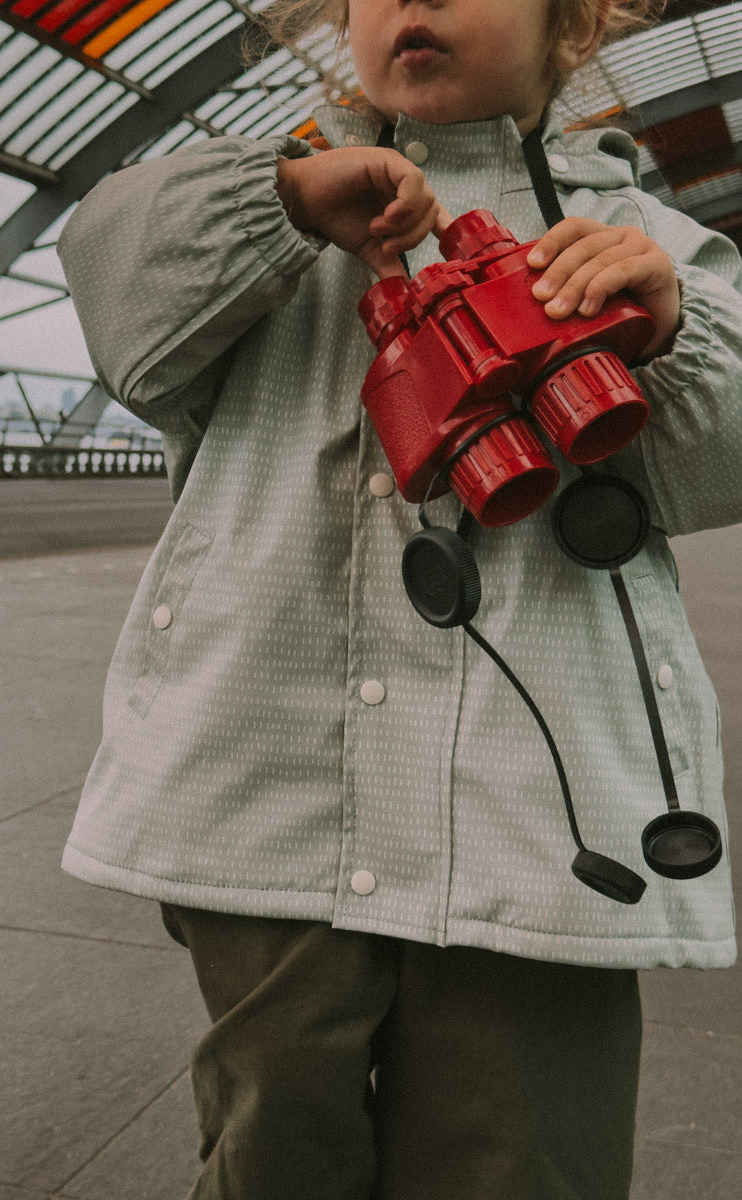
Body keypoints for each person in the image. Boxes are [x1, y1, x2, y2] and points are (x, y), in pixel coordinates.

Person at [57, 1, 741, 1196]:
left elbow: (720, 458)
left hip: (543, 821)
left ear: (573, 27)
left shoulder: (642, 237)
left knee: (523, 1153)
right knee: (275, 1145)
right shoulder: (258, 202)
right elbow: (121, 300)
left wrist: (663, 327)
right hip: (267, 790)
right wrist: (277, 202)